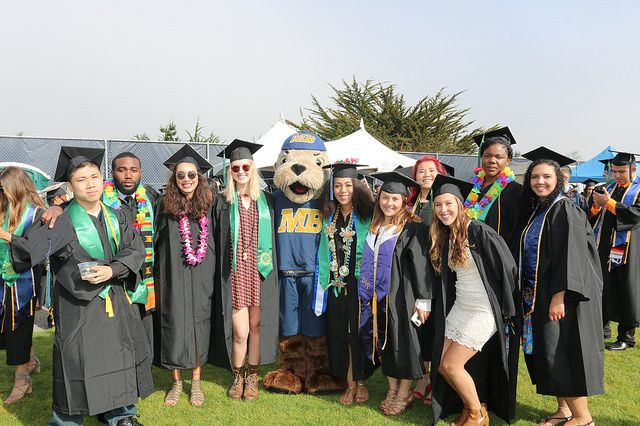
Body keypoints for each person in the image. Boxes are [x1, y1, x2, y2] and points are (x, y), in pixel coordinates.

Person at [17, 147, 152, 425]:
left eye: (94, 177)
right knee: (75, 361)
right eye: (81, 179)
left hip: (114, 298)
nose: (90, 184)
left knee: (119, 357)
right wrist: (14, 232)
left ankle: (121, 415)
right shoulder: (59, 219)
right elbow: (27, 252)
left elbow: (135, 250)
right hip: (78, 307)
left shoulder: (118, 216)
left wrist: (112, 270)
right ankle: (66, 421)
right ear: (70, 186)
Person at [520, 147, 603, 426]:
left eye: (546, 177)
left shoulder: (565, 209)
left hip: (563, 297)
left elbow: (573, 257)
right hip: (539, 294)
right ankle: (564, 411)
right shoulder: (541, 209)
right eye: (534, 177)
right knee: (549, 351)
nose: (539, 182)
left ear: (558, 179)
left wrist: (559, 296)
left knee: (565, 352)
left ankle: (583, 417)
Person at [429, 174, 519, 426]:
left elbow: (507, 268)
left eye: (449, 204)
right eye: (438, 205)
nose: (444, 210)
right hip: (461, 307)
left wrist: (507, 309)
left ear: (460, 204)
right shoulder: (446, 235)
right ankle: (473, 408)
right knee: (441, 365)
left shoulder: (478, 231)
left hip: (483, 310)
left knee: (452, 364)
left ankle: (478, 415)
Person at [210, 140, 279, 402]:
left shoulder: (268, 202)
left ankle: (252, 377)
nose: (241, 172)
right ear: (230, 172)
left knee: (257, 325)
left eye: (245, 167)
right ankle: (237, 376)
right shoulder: (222, 203)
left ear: (253, 169)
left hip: (262, 272)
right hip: (237, 274)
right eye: (235, 168)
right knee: (240, 331)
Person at [359, 170, 430, 416]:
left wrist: (423, 300)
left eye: (395, 199)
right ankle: (391, 390)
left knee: (404, 343)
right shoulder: (375, 226)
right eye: (385, 197)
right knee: (385, 343)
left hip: (402, 297)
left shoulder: (411, 228)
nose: (389, 203)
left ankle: (404, 393)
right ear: (379, 198)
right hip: (377, 298)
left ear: (404, 202)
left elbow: (420, 266)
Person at [154, 145, 216, 406]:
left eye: (191, 175)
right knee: (175, 325)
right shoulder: (164, 206)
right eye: (181, 175)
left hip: (202, 275)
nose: (187, 180)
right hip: (173, 275)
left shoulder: (212, 204)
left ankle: (197, 383)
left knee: (199, 325)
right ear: (174, 179)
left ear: (199, 177)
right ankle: (177, 383)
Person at [315, 163, 375, 406]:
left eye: (348, 185)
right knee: (340, 333)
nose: (343, 191)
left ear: (357, 187)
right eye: (338, 186)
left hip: (360, 283)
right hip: (336, 284)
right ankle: (351, 381)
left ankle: (359, 382)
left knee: (357, 333)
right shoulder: (329, 215)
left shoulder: (367, 216)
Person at [403, 156, 453, 405]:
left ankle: (433, 379)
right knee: (419, 329)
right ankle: (423, 376)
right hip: (412, 274)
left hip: (437, 273)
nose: (426, 174)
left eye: (431, 170)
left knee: (435, 328)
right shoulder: (409, 203)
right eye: (421, 171)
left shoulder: (442, 203)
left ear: (440, 173)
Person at [103, 152, 161, 356]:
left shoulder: (151, 199)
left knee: (144, 333)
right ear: (112, 173)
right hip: (115, 280)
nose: (128, 175)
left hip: (145, 279)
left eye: (133, 170)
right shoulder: (101, 201)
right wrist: (57, 208)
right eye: (122, 170)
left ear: (140, 173)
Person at [0, 167, 46, 404]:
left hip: (24, 283)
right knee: (7, 329)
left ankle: (22, 381)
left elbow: (37, 250)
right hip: (2, 280)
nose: (2, 193)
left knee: (19, 327)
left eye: (4, 189)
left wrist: (7, 237)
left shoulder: (37, 214)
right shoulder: (2, 211)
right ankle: (31, 359)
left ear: (17, 187)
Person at [589, 151, 640, 350]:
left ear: (633, 169)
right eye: (615, 171)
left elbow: (635, 216)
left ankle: (626, 337)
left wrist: (608, 203)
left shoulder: (637, 190)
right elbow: (594, 215)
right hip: (604, 247)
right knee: (603, 286)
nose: (617, 175)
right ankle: (602, 329)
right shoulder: (609, 187)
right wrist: (594, 206)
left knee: (626, 288)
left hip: (628, 248)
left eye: (622, 172)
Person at [464, 127, 523, 258]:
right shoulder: (471, 187)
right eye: (487, 156)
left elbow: (516, 233)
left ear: (508, 160)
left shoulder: (515, 191)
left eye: (499, 157)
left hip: (497, 256)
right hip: (469, 254)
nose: (492, 161)